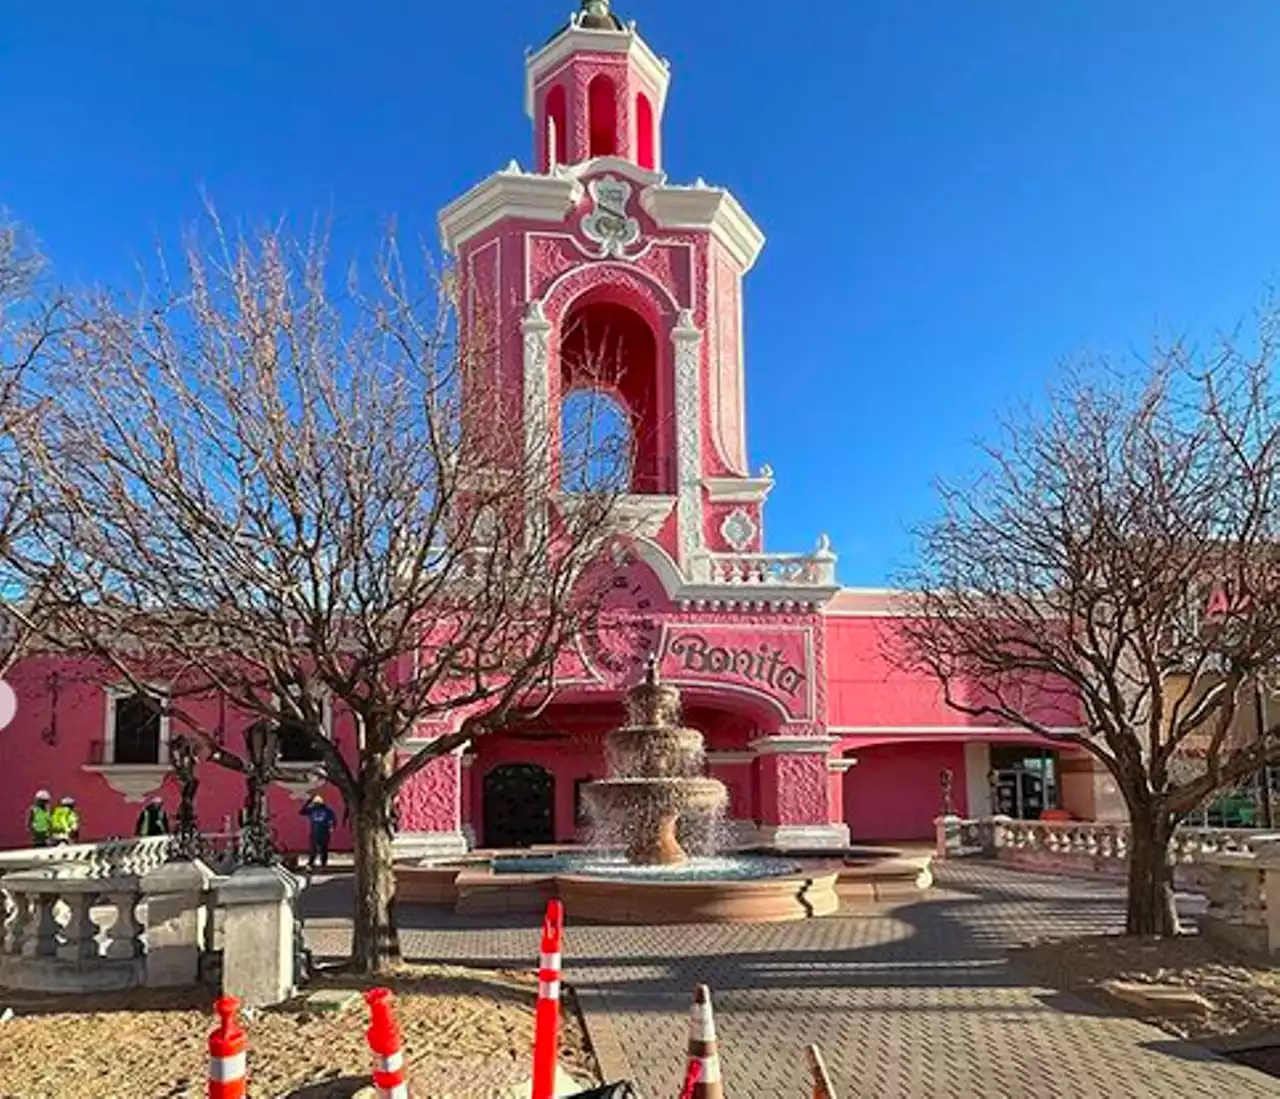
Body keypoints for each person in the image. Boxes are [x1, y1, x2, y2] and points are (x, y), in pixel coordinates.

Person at [300, 793, 337, 870]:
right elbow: (302, 812)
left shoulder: (327, 810)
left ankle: (323, 865)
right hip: (314, 833)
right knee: (313, 850)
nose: (316, 804)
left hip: (324, 833)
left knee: (323, 850)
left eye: (317, 803)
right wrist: (308, 801)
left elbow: (333, 820)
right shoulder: (312, 810)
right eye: (315, 803)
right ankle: (310, 864)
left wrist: (332, 827)